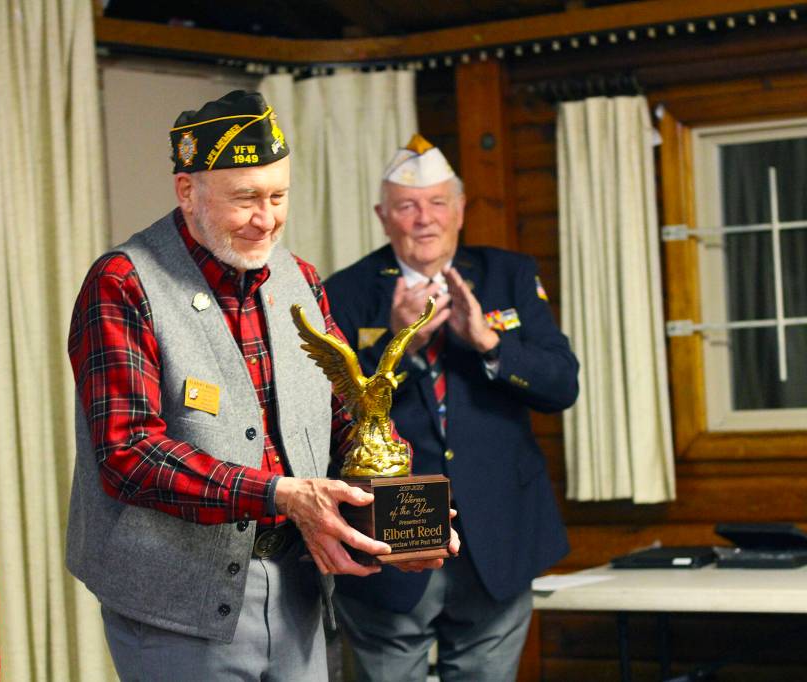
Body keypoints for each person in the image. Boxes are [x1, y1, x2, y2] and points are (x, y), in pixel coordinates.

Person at [65, 92, 456, 681]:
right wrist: (283, 496)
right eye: (245, 198)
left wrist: (396, 515)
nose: (266, 218)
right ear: (187, 191)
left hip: (300, 589)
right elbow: (128, 453)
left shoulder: (299, 278)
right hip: (175, 608)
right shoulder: (124, 281)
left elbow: (349, 412)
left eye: (278, 196)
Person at [325, 134, 579, 681]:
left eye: (438, 203)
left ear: (460, 210)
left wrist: (490, 344)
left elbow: (562, 386)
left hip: (496, 531)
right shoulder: (343, 292)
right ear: (383, 216)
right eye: (407, 206)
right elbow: (324, 412)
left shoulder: (507, 275)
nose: (424, 219)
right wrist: (397, 346)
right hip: (388, 536)